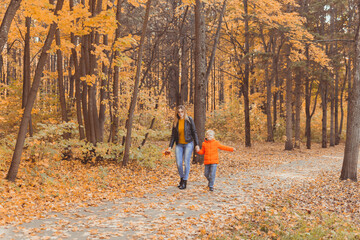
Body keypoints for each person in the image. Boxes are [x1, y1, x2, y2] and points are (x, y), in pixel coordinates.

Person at [168, 105, 200, 190]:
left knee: (186, 162)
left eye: (182, 112)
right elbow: (173, 136)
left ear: (184, 112)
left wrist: (197, 144)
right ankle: (182, 179)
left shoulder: (189, 120)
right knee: (179, 163)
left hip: (188, 144)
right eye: (178, 112)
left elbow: (194, 132)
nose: (180, 114)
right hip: (179, 145)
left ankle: (185, 181)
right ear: (177, 113)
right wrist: (170, 147)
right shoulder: (176, 122)